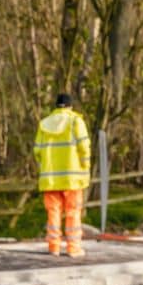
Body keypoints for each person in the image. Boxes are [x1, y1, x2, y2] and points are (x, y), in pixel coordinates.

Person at [33, 93, 92, 257]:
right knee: (73, 211)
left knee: (53, 211)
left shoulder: (44, 124)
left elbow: (37, 151)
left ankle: (54, 247)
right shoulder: (75, 122)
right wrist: (85, 166)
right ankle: (73, 248)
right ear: (70, 106)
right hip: (72, 178)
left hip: (50, 178)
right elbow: (84, 147)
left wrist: (44, 167)